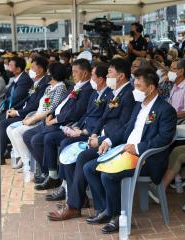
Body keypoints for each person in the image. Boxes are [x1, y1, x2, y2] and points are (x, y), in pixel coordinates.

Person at [84, 67, 177, 234]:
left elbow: (164, 139)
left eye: (138, 86)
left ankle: (119, 217)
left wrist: (137, 148)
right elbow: (126, 130)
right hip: (124, 151)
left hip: (147, 159)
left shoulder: (165, 110)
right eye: (134, 85)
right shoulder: (139, 106)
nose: (135, 90)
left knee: (108, 175)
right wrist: (108, 141)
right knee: (89, 168)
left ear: (151, 88)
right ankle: (105, 209)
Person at [46, 59, 135, 220]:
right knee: (71, 152)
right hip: (99, 136)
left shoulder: (128, 94)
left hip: (113, 142)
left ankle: (77, 205)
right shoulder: (117, 91)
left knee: (83, 159)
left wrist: (102, 140)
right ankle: (87, 203)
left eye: (110, 72)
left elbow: (124, 126)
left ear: (120, 76)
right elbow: (103, 118)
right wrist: (94, 133)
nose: (108, 76)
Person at [23, 58, 94, 190]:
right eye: (72, 71)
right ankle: (48, 172)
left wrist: (55, 119)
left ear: (84, 73)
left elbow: (75, 111)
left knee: (40, 138)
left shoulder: (88, 89)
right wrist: (51, 115)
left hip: (66, 123)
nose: (73, 74)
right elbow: (61, 104)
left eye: (75, 72)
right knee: (29, 136)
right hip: (53, 119)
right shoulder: (74, 86)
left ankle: (52, 175)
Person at [6, 62, 67, 170]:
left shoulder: (60, 88)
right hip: (36, 117)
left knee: (18, 132)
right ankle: (25, 160)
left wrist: (33, 119)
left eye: (49, 71)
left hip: (42, 120)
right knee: (11, 129)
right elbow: (43, 106)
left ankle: (28, 163)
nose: (47, 73)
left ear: (54, 73)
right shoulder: (50, 88)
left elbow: (50, 109)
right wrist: (30, 117)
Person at [0, 56, 50, 163]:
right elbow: (27, 98)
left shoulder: (45, 83)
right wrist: (15, 108)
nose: (29, 70)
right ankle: (20, 157)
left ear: (40, 70)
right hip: (25, 111)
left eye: (32, 68)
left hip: (31, 115)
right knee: (4, 123)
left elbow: (35, 105)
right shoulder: (37, 82)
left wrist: (18, 112)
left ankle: (17, 158)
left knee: (4, 124)